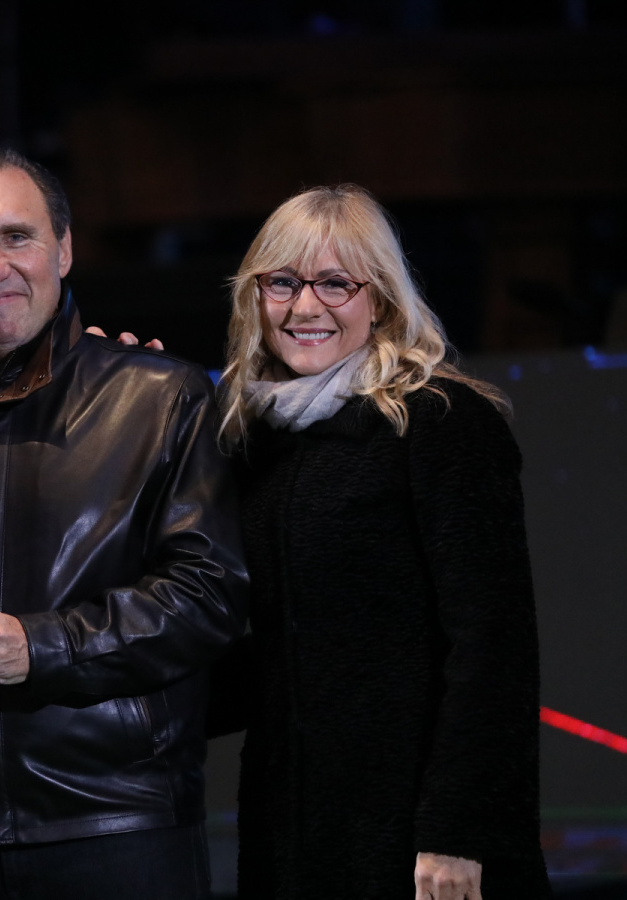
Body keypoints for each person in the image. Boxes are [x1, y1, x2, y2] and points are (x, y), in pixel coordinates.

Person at [0, 149, 250, 900]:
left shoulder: (164, 397)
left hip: (116, 821)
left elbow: (209, 597)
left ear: (63, 249)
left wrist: (36, 646)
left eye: (16, 236)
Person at [209, 184, 550, 899]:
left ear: (382, 300)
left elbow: (493, 648)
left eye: (336, 282)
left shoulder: (440, 422)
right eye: (282, 282)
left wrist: (457, 831)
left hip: (420, 842)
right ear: (255, 297)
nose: (305, 307)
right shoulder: (254, 440)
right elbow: (280, 653)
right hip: (292, 831)